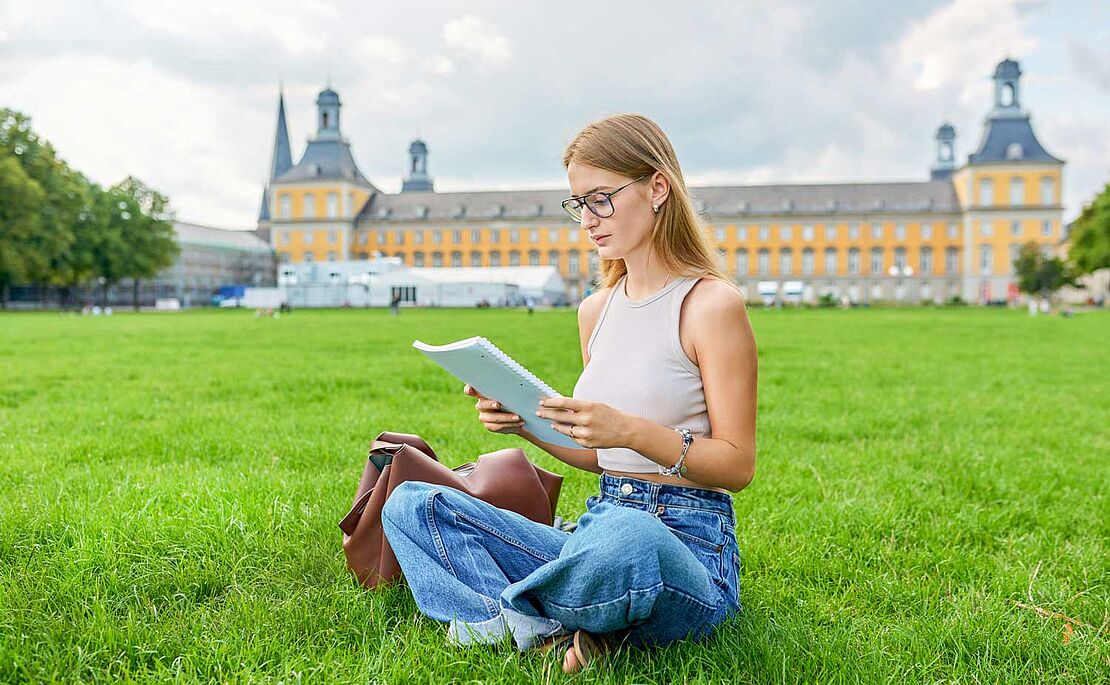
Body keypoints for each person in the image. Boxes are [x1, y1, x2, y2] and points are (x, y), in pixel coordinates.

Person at [380, 114, 757, 673]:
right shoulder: (595, 311)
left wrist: (629, 430)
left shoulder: (711, 305)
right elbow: (598, 456)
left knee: (629, 542)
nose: (588, 219)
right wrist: (524, 420)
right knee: (413, 502)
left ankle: (538, 612)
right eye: (578, 203)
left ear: (657, 188)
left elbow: (736, 465)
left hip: (684, 548)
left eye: (601, 198)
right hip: (599, 525)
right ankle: (541, 625)